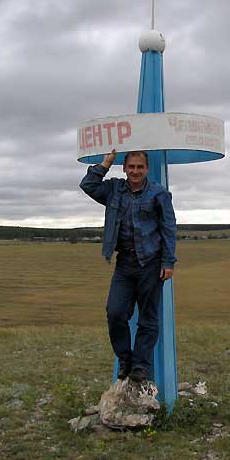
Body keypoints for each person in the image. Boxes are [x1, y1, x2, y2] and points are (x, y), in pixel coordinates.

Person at [79, 149, 177, 383]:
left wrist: (168, 261)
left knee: (148, 317)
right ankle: (125, 359)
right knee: (115, 312)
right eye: (131, 167)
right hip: (124, 263)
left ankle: (140, 366)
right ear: (124, 168)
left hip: (151, 264)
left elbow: (169, 228)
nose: (135, 171)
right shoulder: (113, 190)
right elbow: (88, 185)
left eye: (140, 167)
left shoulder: (159, 194)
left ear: (147, 169)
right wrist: (106, 163)